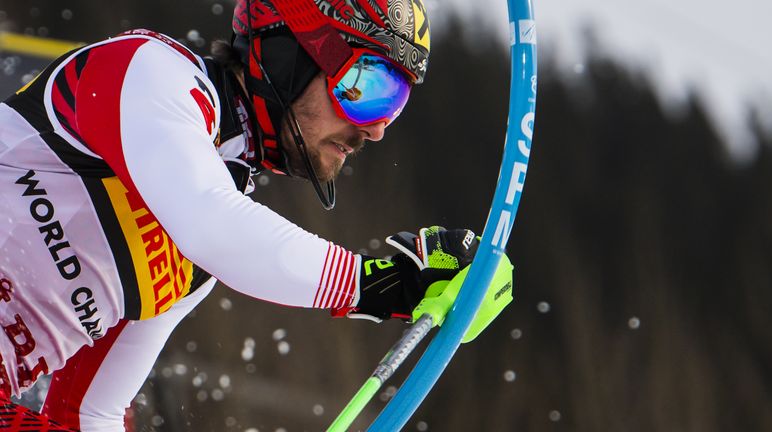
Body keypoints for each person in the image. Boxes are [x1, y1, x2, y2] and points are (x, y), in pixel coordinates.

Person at [0, 0, 483, 430]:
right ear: (291, 52)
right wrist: (377, 284)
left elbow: (86, 412)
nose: (375, 129)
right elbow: (211, 223)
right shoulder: (149, 71)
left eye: (395, 104)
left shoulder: (194, 262)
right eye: (368, 86)